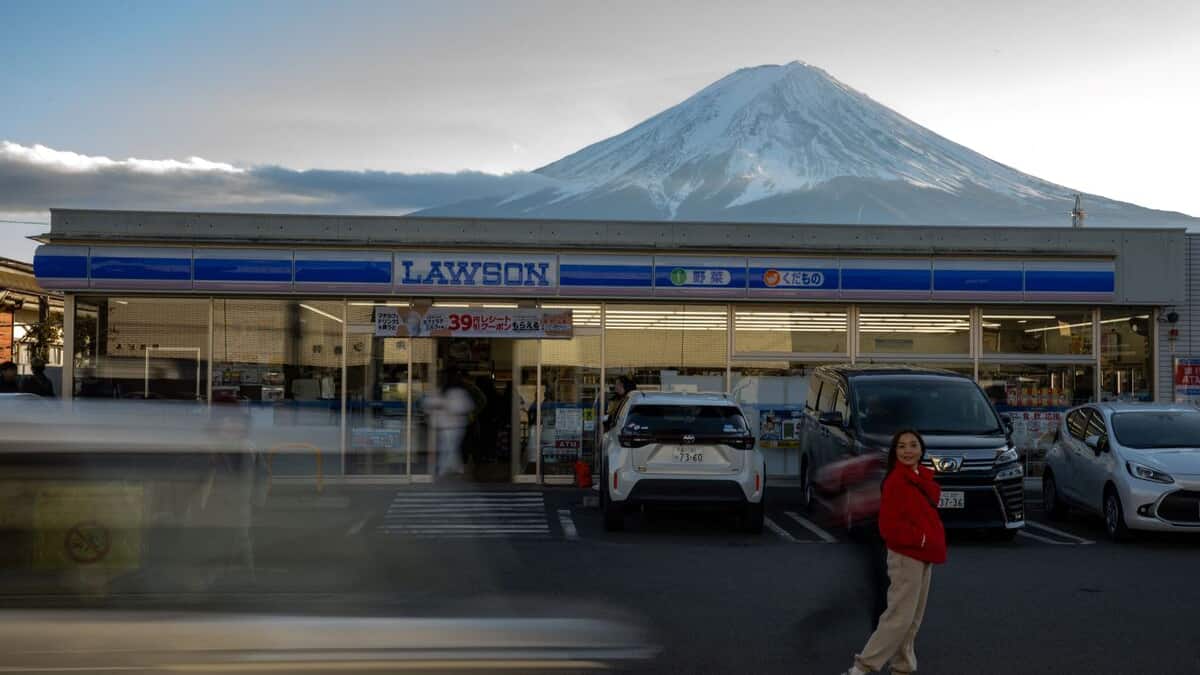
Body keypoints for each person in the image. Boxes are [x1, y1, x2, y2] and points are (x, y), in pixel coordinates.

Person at [843, 429, 946, 675]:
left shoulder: (919, 477)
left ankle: (902, 667)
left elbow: (931, 504)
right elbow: (888, 527)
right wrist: (920, 540)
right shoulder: (895, 482)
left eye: (913, 445)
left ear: (921, 450)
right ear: (894, 452)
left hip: (923, 554)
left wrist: (925, 542)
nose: (907, 451)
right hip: (906, 556)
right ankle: (862, 667)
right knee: (898, 618)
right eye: (901, 446)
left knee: (912, 620)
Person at [425, 370, 475, 479]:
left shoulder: (444, 392)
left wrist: (443, 405)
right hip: (455, 425)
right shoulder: (459, 392)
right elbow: (467, 406)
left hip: (447, 425)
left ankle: (445, 469)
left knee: (448, 447)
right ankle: (457, 469)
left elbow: (429, 405)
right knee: (450, 447)